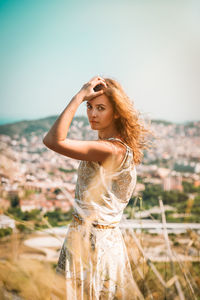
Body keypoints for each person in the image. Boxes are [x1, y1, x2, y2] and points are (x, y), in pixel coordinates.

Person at [43, 75, 150, 300]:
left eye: (101, 108)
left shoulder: (112, 150)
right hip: (89, 239)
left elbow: (53, 140)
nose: (92, 114)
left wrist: (79, 96)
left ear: (117, 112)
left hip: (94, 245)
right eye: (89, 106)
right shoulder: (112, 147)